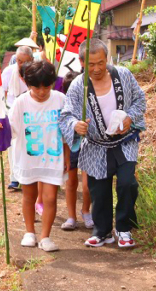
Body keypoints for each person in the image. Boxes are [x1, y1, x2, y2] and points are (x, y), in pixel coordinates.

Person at [60, 38, 147, 249]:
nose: (97, 68)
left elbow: (140, 100)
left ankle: (124, 228)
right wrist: (75, 125)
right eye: (91, 64)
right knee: (99, 190)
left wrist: (129, 117)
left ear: (107, 59)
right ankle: (102, 231)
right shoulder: (78, 86)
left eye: (100, 62)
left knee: (128, 183)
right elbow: (66, 115)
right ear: (81, 62)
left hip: (124, 141)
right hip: (96, 145)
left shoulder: (122, 75)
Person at [0, 59, 65, 252]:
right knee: (29, 195)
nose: (41, 92)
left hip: (53, 157)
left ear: (53, 83)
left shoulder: (60, 99)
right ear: (27, 85)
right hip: (28, 158)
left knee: (50, 198)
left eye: (46, 87)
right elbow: (12, 131)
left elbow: (67, 131)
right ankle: (29, 231)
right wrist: (1, 127)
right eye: (36, 88)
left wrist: (68, 158)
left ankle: (45, 236)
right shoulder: (20, 102)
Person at [59, 70, 92, 231]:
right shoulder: (65, 107)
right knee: (71, 182)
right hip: (72, 146)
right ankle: (71, 216)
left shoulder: (91, 103)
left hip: (88, 146)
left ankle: (86, 211)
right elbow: (63, 128)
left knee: (87, 185)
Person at [0, 46, 32, 191]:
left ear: (31, 60)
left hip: (29, 112)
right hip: (11, 110)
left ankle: (30, 175)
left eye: (25, 61)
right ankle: (14, 178)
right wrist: (1, 115)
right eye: (19, 61)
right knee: (12, 145)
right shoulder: (8, 71)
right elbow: (2, 94)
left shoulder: (34, 72)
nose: (21, 64)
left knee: (28, 144)